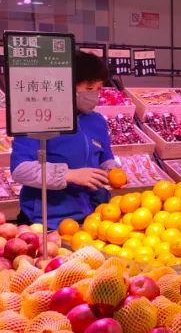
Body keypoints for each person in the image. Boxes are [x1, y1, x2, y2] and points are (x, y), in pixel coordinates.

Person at [10, 49, 119, 228]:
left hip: (93, 216)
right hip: (47, 220)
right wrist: (70, 175)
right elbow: (20, 169)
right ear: (66, 85)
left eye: (98, 88)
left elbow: (105, 158)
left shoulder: (96, 120)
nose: (94, 94)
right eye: (89, 88)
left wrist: (112, 170)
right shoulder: (36, 117)